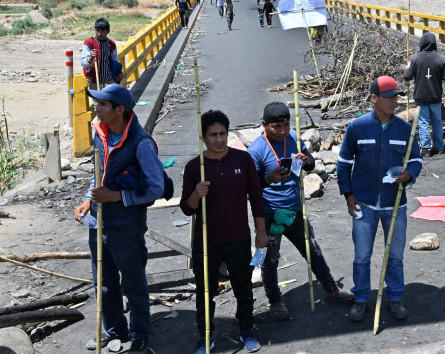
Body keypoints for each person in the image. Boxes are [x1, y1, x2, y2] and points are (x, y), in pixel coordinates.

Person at [73, 84, 165, 354]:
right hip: (97, 223)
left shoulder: (142, 143)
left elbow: (156, 188)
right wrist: (89, 199)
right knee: (103, 281)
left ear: (119, 110)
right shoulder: (100, 133)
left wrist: (115, 197)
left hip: (126, 227)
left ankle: (140, 336)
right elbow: (98, 173)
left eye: (102, 104)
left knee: (133, 283)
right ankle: (114, 330)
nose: (96, 108)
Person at [248, 102, 354, 321]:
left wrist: (306, 161)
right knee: (271, 259)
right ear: (264, 125)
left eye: (286, 125)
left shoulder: (293, 138)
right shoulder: (256, 150)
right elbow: (249, 187)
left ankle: (331, 287)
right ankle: (275, 300)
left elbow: (310, 164)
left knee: (312, 250)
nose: (283, 131)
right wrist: (269, 178)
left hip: (295, 209)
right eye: (277, 127)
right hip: (270, 214)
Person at [337, 76, 423, 322]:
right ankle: (361, 298)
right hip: (364, 204)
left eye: (396, 96)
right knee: (362, 256)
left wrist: (409, 175)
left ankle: (395, 297)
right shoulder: (357, 127)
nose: (394, 101)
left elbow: (416, 160)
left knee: (395, 256)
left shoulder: (405, 129)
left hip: (395, 204)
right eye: (389, 97)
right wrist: (348, 195)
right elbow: (343, 164)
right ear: (374, 98)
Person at [181, 110, 265, 353]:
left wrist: (261, 234)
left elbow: (257, 198)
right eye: (212, 135)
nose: (218, 139)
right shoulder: (194, 167)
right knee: (205, 291)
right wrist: (196, 194)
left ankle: (247, 329)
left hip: (239, 238)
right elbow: (187, 209)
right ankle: (205, 336)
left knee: (243, 287)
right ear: (203, 137)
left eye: (222, 134)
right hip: (206, 242)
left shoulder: (243, 160)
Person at [403, 32, 445, 156]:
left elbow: (407, 77)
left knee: (423, 122)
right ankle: (439, 146)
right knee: (437, 122)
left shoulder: (415, 58)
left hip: (420, 96)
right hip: (435, 96)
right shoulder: (440, 58)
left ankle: (425, 147)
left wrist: (406, 68)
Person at [81, 18, 123, 90]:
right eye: (97, 31)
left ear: (108, 31)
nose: (99, 33)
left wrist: (119, 72)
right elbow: (83, 63)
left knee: (111, 100)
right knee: (97, 101)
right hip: (94, 81)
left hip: (109, 80)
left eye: (102, 31)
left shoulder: (111, 44)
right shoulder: (89, 43)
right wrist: (91, 58)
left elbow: (114, 61)